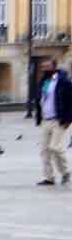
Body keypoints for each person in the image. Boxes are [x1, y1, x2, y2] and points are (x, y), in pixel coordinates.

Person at [35, 57, 72, 186]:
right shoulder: (43, 82)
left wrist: (68, 119)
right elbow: (40, 99)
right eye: (43, 67)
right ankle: (49, 177)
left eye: (47, 67)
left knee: (55, 147)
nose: (44, 69)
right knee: (44, 150)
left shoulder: (63, 81)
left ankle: (65, 172)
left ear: (54, 67)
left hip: (59, 120)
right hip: (46, 120)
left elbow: (70, 100)